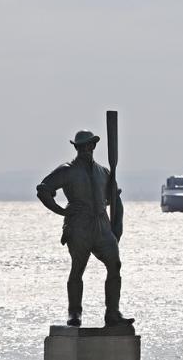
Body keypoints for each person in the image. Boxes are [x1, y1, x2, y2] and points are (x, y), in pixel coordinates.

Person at [36, 130, 134, 327]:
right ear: (77, 148)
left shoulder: (104, 172)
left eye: (89, 145)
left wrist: (116, 230)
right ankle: (75, 313)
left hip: (102, 225)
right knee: (78, 269)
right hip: (79, 226)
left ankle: (112, 313)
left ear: (94, 146)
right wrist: (63, 212)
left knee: (115, 266)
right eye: (82, 146)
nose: (86, 149)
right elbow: (43, 190)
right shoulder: (67, 170)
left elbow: (115, 200)